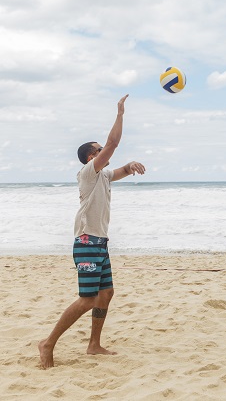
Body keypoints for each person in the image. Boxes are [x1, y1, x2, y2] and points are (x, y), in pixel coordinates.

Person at [39, 94, 146, 368]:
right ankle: (48, 343)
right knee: (87, 299)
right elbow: (113, 143)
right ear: (91, 157)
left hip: (100, 242)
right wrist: (120, 114)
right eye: (99, 150)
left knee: (106, 293)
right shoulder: (88, 172)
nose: (104, 152)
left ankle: (94, 345)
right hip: (86, 242)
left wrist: (131, 164)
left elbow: (120, 169)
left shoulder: (104, 175)